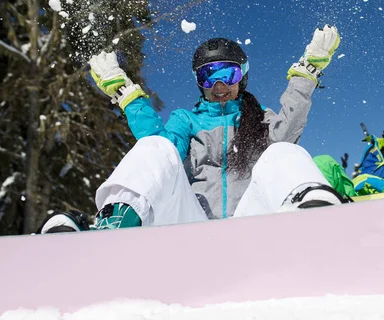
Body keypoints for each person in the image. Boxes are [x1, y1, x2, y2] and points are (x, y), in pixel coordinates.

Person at [39, 26, 348, 233]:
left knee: (282, 150)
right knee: (155, 148)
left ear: (243, 77)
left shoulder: (260, 119)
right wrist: (126, 93)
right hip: (192, 226)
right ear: (199, 82)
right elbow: (160, 153)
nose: (219, 84)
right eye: (208, 76)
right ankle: (116, 222)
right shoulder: (186, 120)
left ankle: (312, 219)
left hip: (253, 225)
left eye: (228, 73)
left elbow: (289, 131)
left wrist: (307, 71)